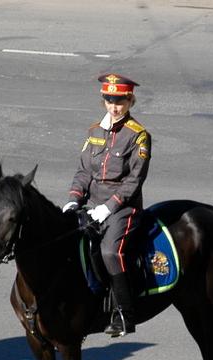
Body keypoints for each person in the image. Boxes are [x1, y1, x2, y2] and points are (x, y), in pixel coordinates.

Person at [62, 73, 151, 337]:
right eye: (110, 100)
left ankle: (125, 313)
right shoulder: (94, 132)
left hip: (123, 208)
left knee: (111, 252)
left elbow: (134, 180)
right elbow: (83, 172)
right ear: (104, 100)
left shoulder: (138, 136)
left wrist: (108, 208)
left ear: (130, 101)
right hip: (92, 204)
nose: (115, 106)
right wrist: (73, 199)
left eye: (120, 101)